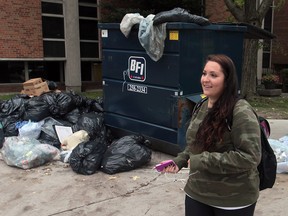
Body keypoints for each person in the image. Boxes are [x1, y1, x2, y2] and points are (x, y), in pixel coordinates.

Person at [160, 54, 261, 216]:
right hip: (197, 192)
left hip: (232, 199)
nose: (205, 79)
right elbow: (195, 143)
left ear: (227, 81)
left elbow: (250, 158)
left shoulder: (241, 111)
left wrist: (200, 160)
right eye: (204, 73)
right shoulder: (202, 104)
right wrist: (179, 160)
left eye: (213, 75)